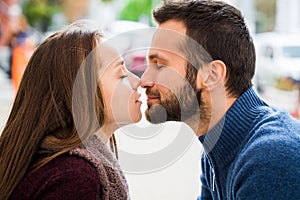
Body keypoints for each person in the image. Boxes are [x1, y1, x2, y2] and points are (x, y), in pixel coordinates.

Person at [141, 0, 300, 199]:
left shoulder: (271, 159)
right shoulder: (219, 148)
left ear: (212, 75)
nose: (144, 80)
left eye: (160, 65)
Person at [0, 19, 142, 199]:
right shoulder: (74, 179)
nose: (137, 81)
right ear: (83, 93)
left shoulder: (67, 169)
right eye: (121, 74)